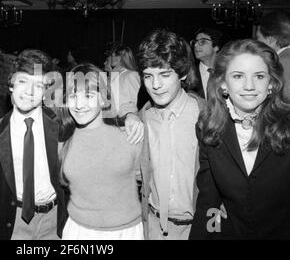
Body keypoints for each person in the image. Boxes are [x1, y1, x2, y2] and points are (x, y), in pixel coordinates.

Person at [190, 39, 290, 239]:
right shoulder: (209, 127)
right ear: (223, 83)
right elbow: (209, 203)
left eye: (259, 76)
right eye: (238, 76)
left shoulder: (286, 125)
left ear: (270, 83)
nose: (249, 86)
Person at [0, 49, 68, 240]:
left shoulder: (61, 125)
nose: (30, 91)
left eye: (38, 85)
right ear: (11, 84)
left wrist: (130, 117)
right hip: (13, 221)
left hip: (54, 220)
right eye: (23, 81)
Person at [60, 63, 144, 240]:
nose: (79, 105)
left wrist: (132, 114)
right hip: (78, 231)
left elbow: (149, 184)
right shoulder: (64, 140)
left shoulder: (129, 137)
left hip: (123, 232)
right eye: (73, 96)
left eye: (89, 95)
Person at [135, 29, 203, 240]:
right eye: (148, 76)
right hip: (153, 228)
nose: (155, 85)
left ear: (182, 73)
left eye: (164, 74)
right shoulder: (143, 119)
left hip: (198, 228)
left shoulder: (206, 115)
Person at [256, 9, 290, 101]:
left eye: (259, 38)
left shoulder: (283, 62)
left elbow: (285, 101)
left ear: (270, 39)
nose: (257, 43)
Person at [106, 45, 142, 116]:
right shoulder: (115, 75)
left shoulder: (131, 74)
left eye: (115, 55)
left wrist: (131, 116)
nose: (112, 57)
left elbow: (136, 100)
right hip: (113, 119)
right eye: (112, 55)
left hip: (127, 118)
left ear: (122, 57)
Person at [191, 28, 224, 99]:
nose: (196, 45)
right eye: (195, 42)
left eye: (202, 42)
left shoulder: (227, 72)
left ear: (216, 47)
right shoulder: (189, 75)